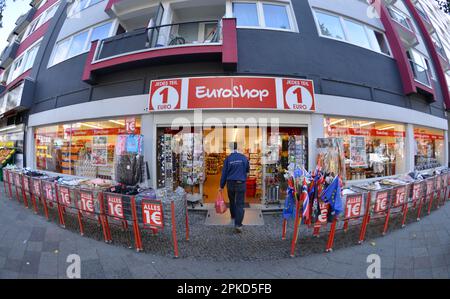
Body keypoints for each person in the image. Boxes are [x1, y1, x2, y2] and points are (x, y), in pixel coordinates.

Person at [219, 141, 249, 233]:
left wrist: (221, 186)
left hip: (230, 183)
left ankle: (233, 215)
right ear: (239, 148)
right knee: (240, 203)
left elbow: (224, 173)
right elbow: (247, 171)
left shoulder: (228, 159)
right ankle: (238, 225)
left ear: (230, 148)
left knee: (232, 200)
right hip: (241, 183)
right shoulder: (244, 158)